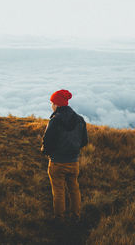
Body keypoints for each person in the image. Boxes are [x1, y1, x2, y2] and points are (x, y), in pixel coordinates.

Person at [41, 89, 88, 223]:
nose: (51, 105)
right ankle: (76, 216)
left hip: (57, 162)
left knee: (59, 191)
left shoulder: (55, 121)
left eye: (52, 102)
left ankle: (59, 218)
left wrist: (46, 152)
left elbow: (47, 140)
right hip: (73, 162)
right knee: (74, 189)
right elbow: (84, 141)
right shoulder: (80, 120)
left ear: (57, 104)